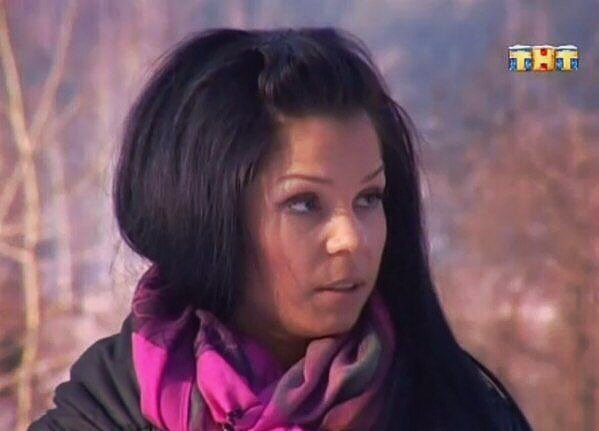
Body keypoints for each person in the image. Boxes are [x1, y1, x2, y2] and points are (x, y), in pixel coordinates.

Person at [29, 27, 533, 431]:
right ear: (207, 218)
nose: (352, 238)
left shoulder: (459, 411)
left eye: (368, 198)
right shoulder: (109, 409)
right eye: (304, 204)